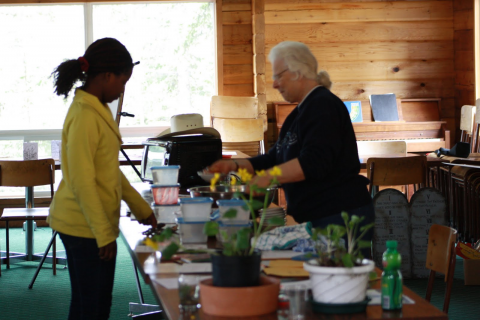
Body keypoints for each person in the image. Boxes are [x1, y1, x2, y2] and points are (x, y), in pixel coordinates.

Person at [208, 41, 374, 254]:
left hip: (340, 215)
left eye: (278, 76)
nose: (275, 84)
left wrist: (267, 177)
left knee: (343, 283)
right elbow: (274, 159)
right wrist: (234, 166)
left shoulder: (323, 105)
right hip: (319, 216)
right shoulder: (299, 113)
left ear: (298, 72)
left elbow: (314, 163)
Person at [48, 38, 157, 320]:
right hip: (82, 226)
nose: (122, 91)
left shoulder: (96, 109)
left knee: (91, 304)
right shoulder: (85, 115)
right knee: (93, 308)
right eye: (122, 82)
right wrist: (103, 234)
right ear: (107, 76)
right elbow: (82, 182)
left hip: (89, 225)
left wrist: (142, 210)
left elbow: (109, 171)